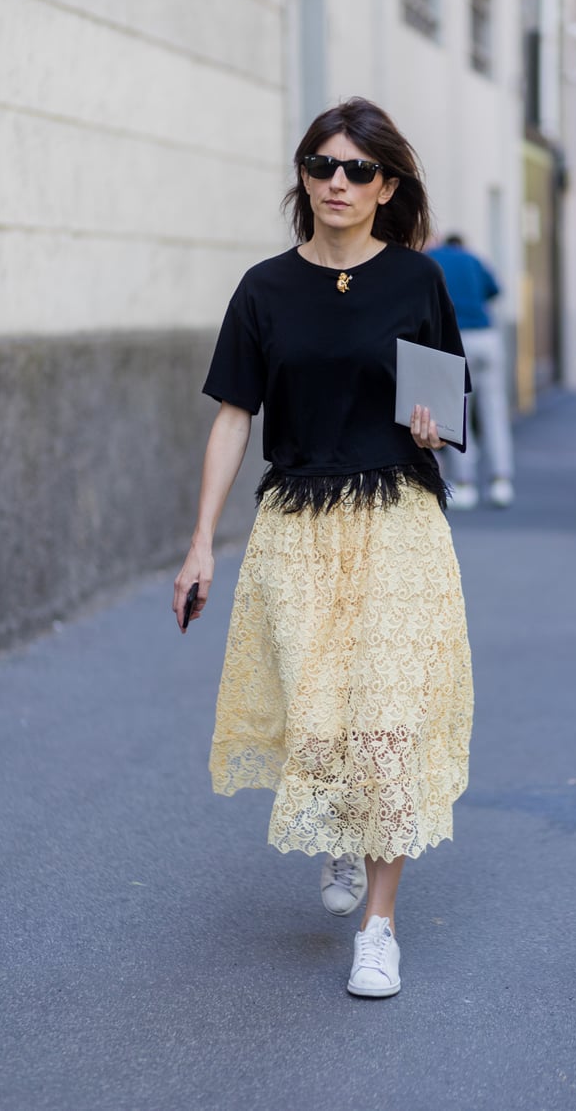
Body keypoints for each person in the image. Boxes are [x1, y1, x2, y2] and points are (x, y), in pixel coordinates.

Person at [173, 98, 474, 1000]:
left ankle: (379, 927)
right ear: (303, 177)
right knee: (319, 714)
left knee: (386, 719)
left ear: (387, 187)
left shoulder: (417, 282)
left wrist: (434, 430)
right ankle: (340, 832)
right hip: (298, 528)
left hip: (396, 521)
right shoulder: (264, 288)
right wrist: (199, 546)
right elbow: (235, 415)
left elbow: (455, 413)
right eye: (320, 166)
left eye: (355, 171)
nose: (335, 183)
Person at [426, 234, 514, 509]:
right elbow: (495, 290)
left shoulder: (432, 260)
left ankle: (464, 483)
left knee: (458, 415)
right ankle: (501, 482)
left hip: (455, 338)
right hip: (487, 338)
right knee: (494, 412)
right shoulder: (474, 259)